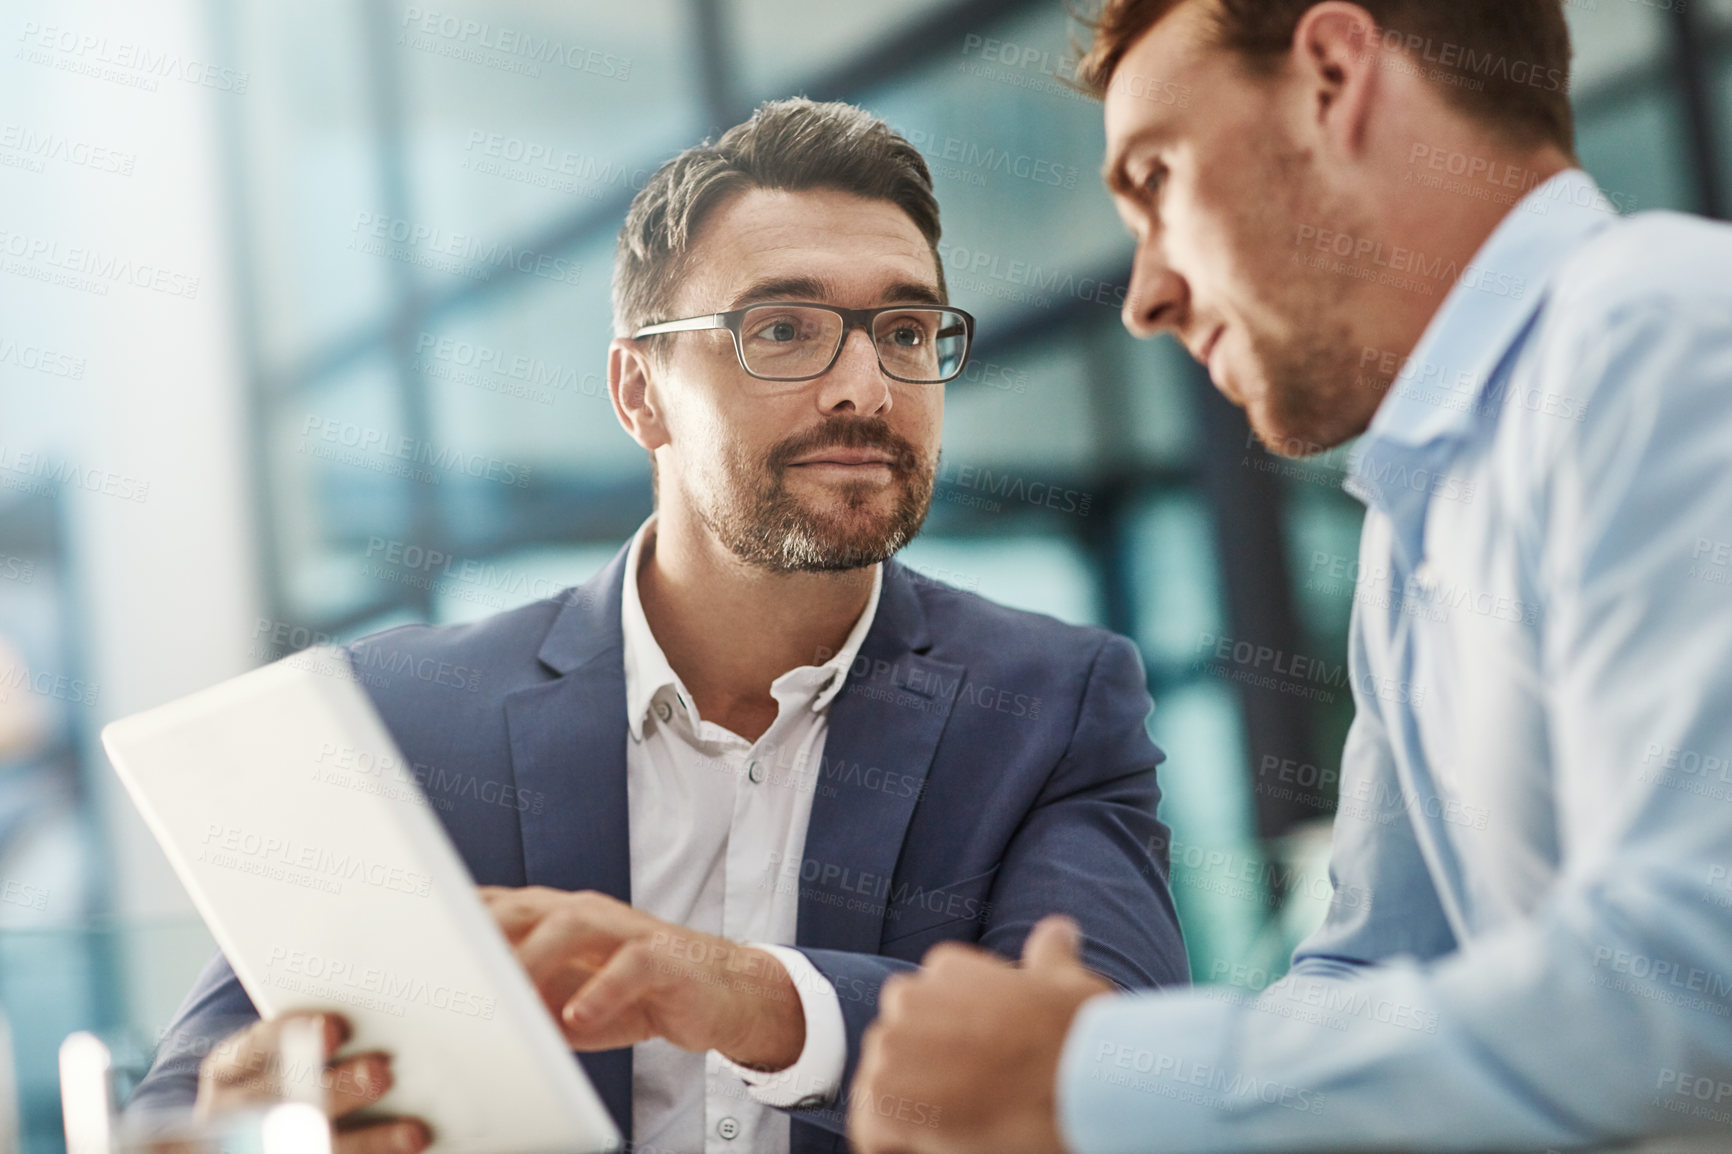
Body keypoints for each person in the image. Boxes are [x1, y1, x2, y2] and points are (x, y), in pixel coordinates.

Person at [125, 98, 1189, 1154]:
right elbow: (184, 1103)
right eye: (782, 329)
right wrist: (250, 1115)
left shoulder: (1053, 702)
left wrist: (743, 993)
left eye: (905, 332)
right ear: (639, 391)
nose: (866, 387)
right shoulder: (404, 715)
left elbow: (1115, 1065)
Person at [848, 2, 1732, 1152]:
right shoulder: (1421, 510)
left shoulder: (1657, 330)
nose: (1144, 295)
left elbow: (1695, 973)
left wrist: (1099, 1076)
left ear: (1329, 72)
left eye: (1155, 177)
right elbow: (1369, 969)